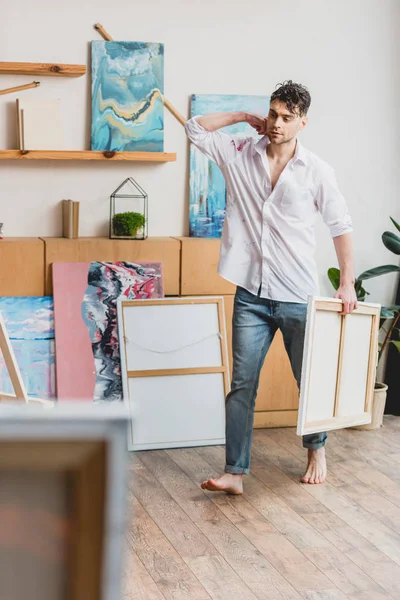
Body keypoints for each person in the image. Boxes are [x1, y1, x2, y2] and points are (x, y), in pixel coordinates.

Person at [185, 80, 358, 493]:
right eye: (273, 113)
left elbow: (341, 226)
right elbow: (195, 128)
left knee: (307, 378)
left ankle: (316, 447)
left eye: (286, 117)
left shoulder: (316, 170)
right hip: (251, 294)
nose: (277, 123)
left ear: (303, 122)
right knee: (242, 383)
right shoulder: (240, 153)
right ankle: (234, 473)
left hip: (298, 294)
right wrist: (244, 118)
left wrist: (347, 283)